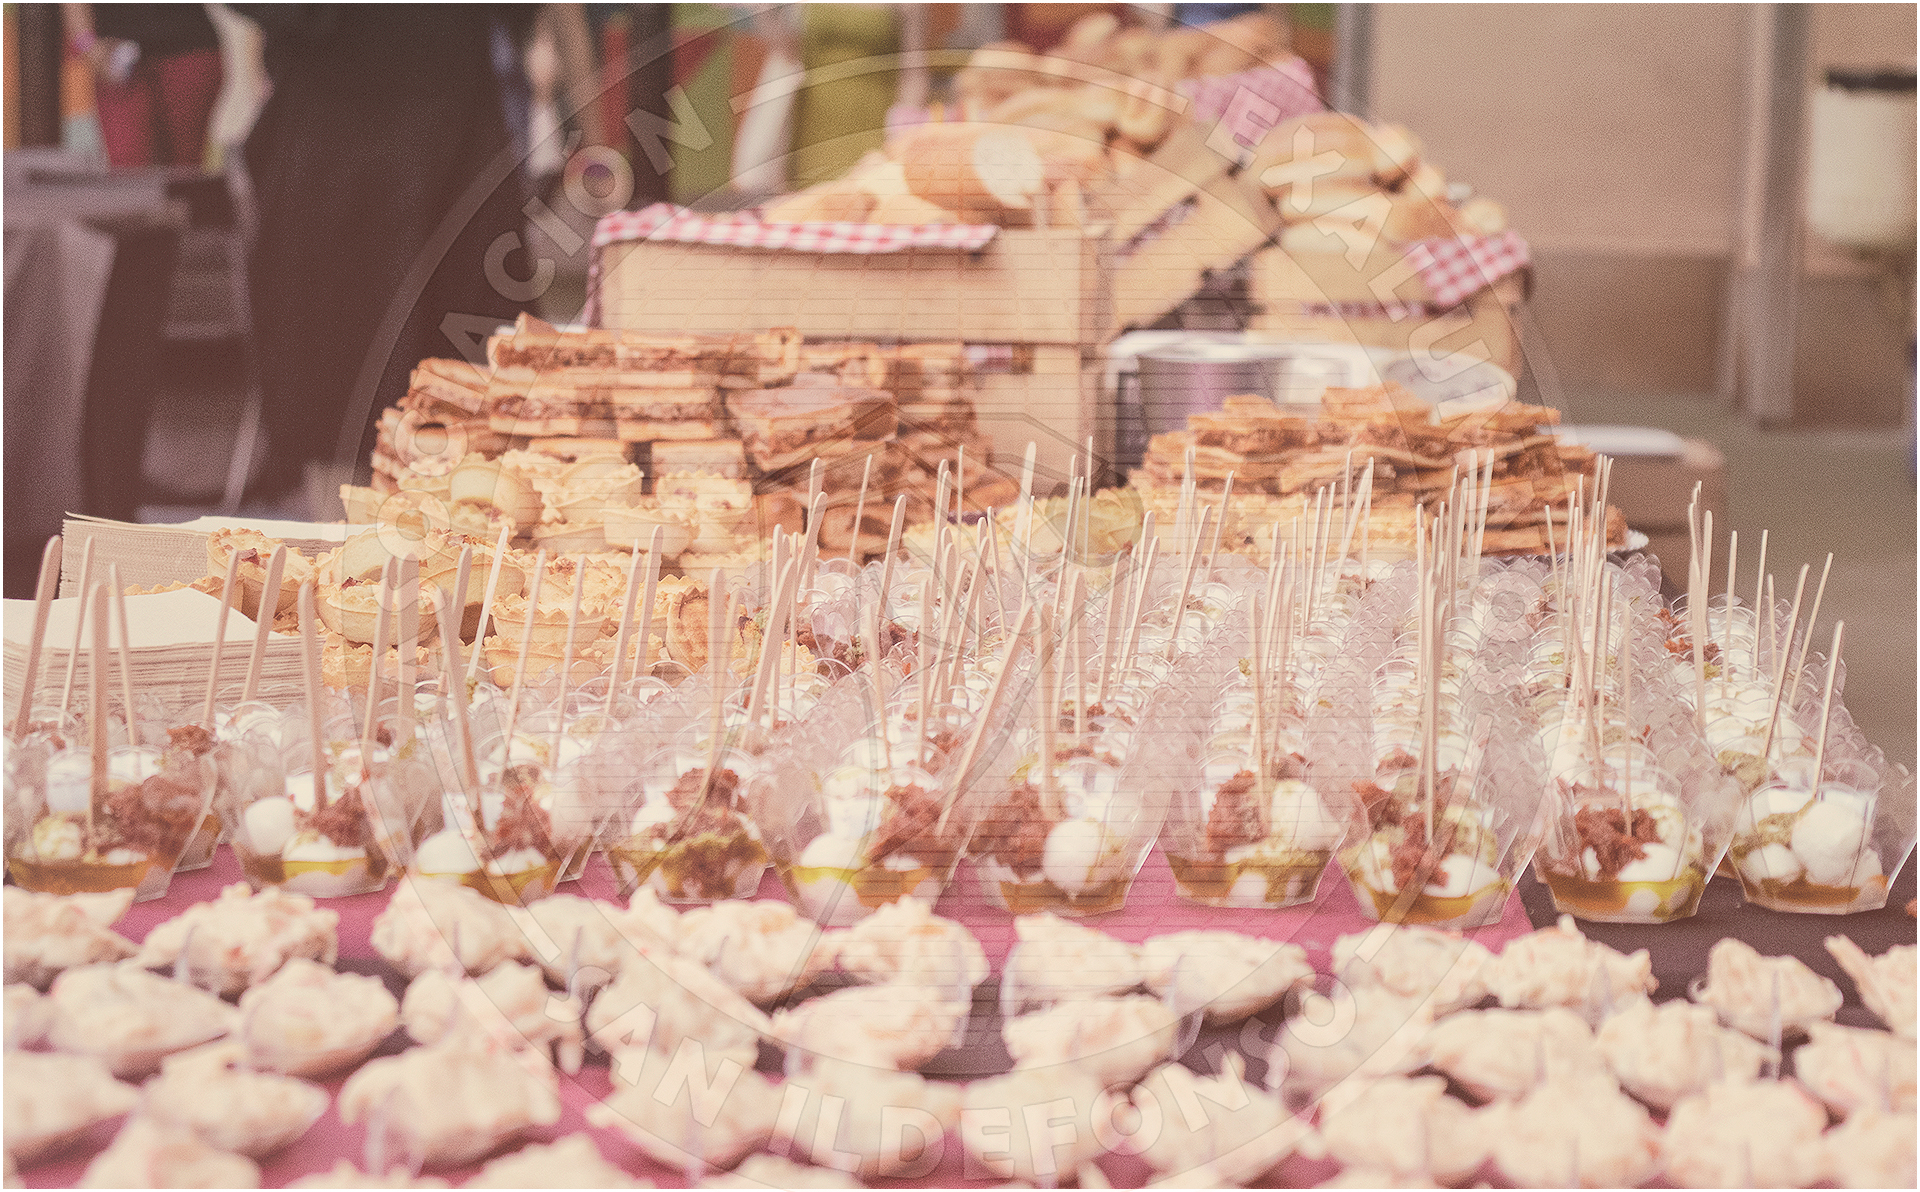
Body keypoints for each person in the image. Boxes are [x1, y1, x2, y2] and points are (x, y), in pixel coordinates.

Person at [236, 5, 531, 492]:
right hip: (341, 125)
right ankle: (346, 552)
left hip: (445, 117)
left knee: (469, 394)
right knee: (341, 391)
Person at [65, 3, 225, 169]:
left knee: (185, 165)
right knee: (127, 164)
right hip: (116, 55)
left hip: (188, 47)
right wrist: (87, 45)